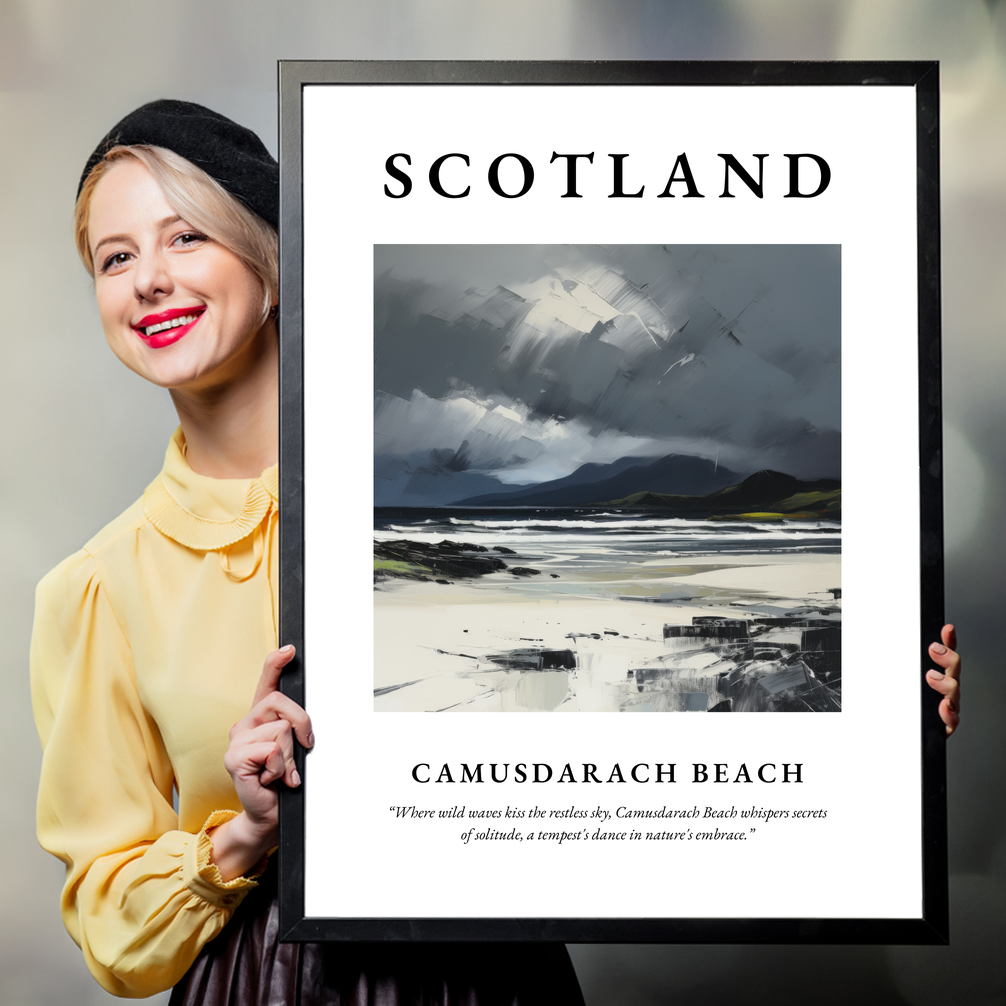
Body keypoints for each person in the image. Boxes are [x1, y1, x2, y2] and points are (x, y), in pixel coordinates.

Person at [30, 100, 585, 1004]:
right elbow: (110, 923)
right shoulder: (98, 587)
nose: (148, 281)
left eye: (186, 239)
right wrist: (245, 832)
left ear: (274, 264)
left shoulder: (450, 500)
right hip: (263, 982)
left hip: (493, 974)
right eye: (116, 257)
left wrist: (885, 709)